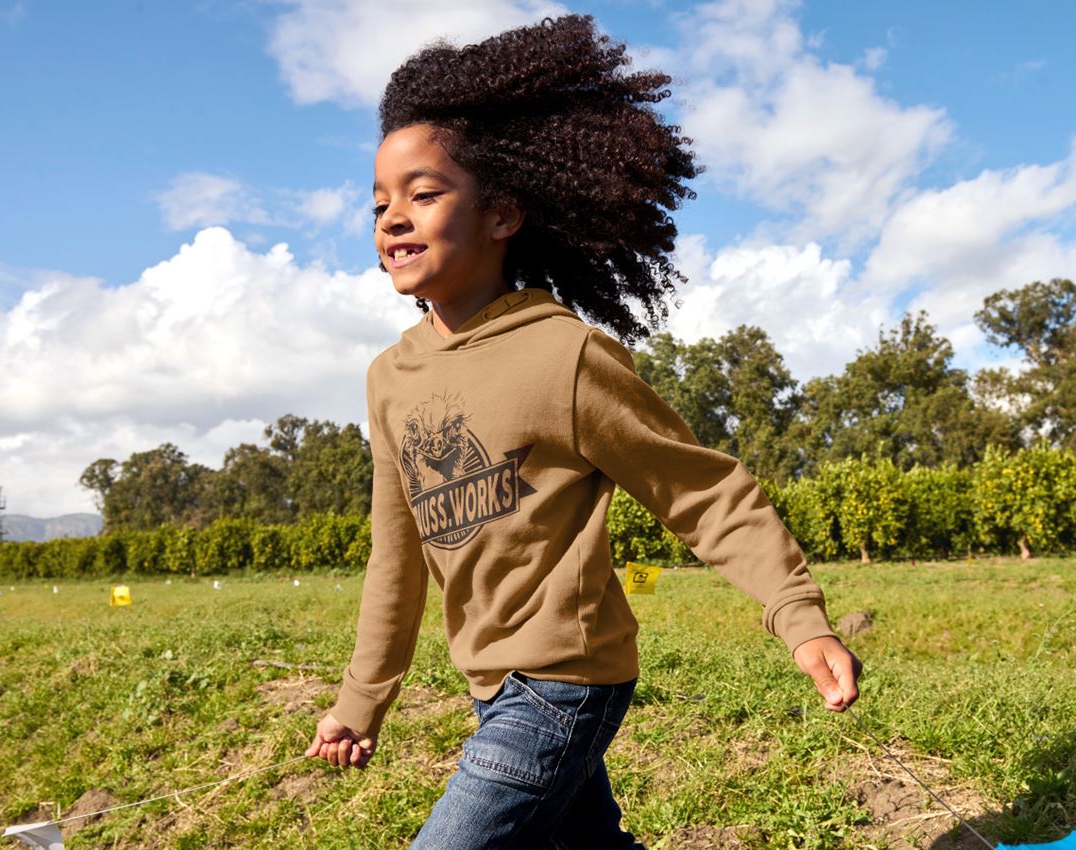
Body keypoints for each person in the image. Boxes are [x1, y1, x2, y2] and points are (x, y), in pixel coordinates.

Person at [306, 14, 861, 849]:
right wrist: (361, 699)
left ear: (502, 214)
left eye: (423, 193)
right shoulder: (391, 378)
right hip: (489, 683)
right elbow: (397, 554)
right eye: (380, 201)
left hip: (566, 679)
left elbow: (701, 491)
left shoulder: (563, 356)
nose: (392, 218)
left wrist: (798, 613)